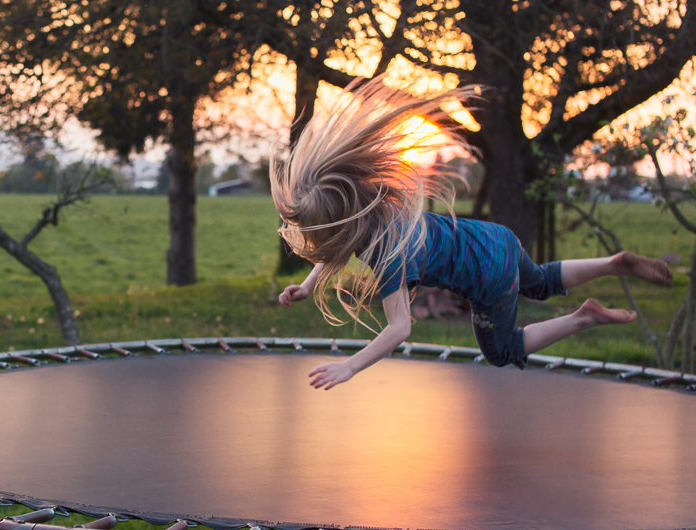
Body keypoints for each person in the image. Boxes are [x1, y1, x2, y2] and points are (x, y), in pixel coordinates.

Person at [272, 76, 673, 390]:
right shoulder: (375, 208)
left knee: (503, 351)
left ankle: (583, 318)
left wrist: (350, 366)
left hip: (489, 279)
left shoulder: (386, 253)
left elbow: (400, 327)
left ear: (338, 225)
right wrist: (309, 285)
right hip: (497, 239)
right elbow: (338, 246)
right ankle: (613, 263)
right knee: (540, 280)